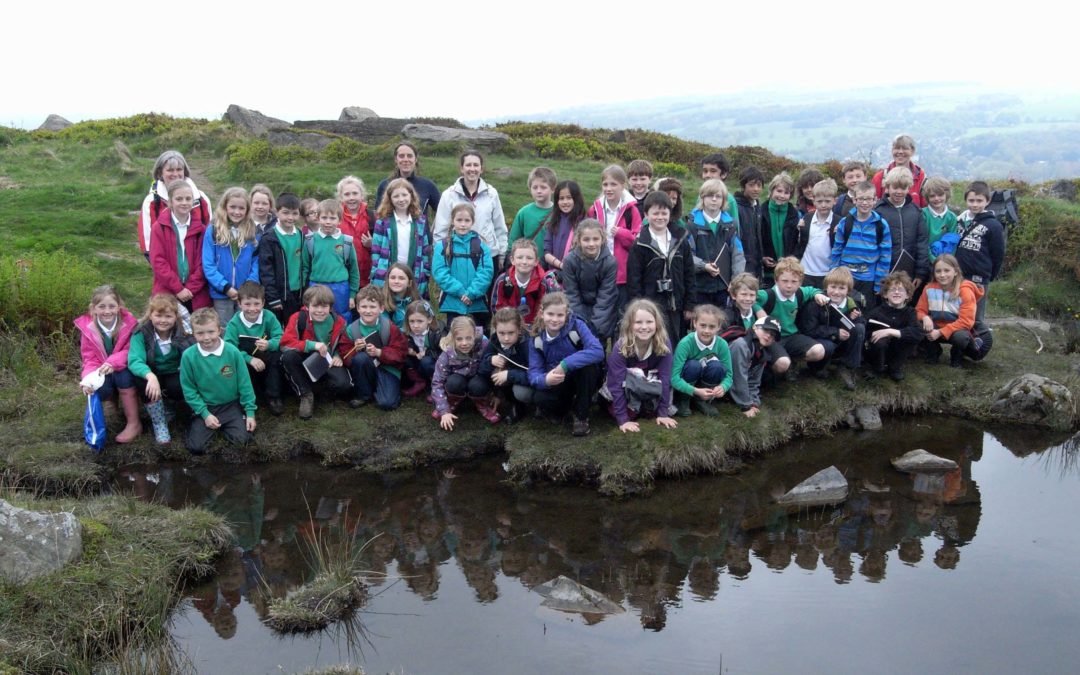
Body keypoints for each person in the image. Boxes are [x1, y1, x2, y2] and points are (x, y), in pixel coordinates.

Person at [526, 292, 605, 436]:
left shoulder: (577, 325)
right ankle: (565, 409)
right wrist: (545, 380)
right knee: (539, 398)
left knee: (588, 368)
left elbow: (597, 351)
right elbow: (533, 373)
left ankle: (581, 416)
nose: (555, 319)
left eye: (560, 315)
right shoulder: (536, 337)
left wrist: (565, 364)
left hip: (580, 377)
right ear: (542, 313)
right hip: (558, 380)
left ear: (566, 314)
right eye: (550, 314)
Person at [180, 308, 256, 454]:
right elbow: (189, 390)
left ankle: (231, 424)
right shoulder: (188, 356)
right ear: (193, 333)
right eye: (200, 333)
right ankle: (201, 423)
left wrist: (250, 413)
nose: (206, 337)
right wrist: (205, 414)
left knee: (243, 440)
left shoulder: (232, 352)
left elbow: (245, 384)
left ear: (219, 330)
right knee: (195, 447)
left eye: (211, 332)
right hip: (206, 406)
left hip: (230, 405)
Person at [127, 293, 195, 443]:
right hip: (152, 374)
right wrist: (150, 376)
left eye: (168, 316)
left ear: (175, 317)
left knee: (178, 386)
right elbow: (134, 360)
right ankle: (159, 423)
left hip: (174, 373)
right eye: (158, 315)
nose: (163, 321)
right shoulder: (141, 333)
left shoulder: (184, 332)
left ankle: (171, 406)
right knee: (141, 381)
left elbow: (194, 356)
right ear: (150, 315)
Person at [627, 192, 695, 341]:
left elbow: (689, 273)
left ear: (670, 214)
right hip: (651, 306)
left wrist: (689, 305)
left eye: (664, 213)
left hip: (677, 305)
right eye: (655, 213)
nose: (660, 217)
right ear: (646, 214)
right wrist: (638, 308)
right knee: (656, 344)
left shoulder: (681, 240)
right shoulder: (639, 245)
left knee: (677, 343)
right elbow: (634, 280)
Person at [76, 284, 140, 444]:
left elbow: (130, 350)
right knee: (97, 387)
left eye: (112, 306)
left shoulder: (129, 323)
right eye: (101, 306)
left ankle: (134, 423)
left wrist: (113, 363)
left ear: (119, 307)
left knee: (123, 376)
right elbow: (89, 358)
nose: (107, 311)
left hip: (124, 367)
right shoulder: (88, 329)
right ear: (93, 309)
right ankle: (113, 403)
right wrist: (88, 380)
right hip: (102, 370)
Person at [603, 298, 678, 433]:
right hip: (626, 387)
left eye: (649, 322)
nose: (644, 327)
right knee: (626, 412)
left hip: (650, 385)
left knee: (650, 412)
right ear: (630, 324)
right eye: (638, 322)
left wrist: (663, 414)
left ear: (657, 324)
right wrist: (623, 420)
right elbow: (616, 383)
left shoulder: (664, 343)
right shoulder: (620, 346)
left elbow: (666, 379)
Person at [280, 285, 353, 419]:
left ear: (330, 308)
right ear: (307, 306)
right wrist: (312, 345)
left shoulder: (339, 322)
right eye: (315, 306)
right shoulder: (298, 318)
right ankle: (306, 394)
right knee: (288, 356)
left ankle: (318, 391)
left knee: (344, 386)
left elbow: (344, 344)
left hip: (327, 361)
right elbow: (285, 344)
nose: (320, 311)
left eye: (324, 306)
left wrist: (338, 356)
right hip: (305, 359)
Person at [755, 257, 830, 378]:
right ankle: (769, 369)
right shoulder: (768, 295)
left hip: (791, 336)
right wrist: (759, 310)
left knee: (819, 351)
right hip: (771, 338)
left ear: (800, 283)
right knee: (782, 364)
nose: (789, 286)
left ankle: (791, 362)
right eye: (784, 281)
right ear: (776, 280)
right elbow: (749, 298)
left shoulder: (799, 293)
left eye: (794, 282)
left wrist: (818, 295)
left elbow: (812, 290)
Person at [433, 150, 508, 268]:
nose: (472, 169)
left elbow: (500, 227)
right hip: (458, 255)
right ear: (461, 168)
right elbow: (440, 230)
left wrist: (502, 254)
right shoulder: (448, 195)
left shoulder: (492, 194)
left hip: (487, 256)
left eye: (476, 165)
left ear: (481, 169)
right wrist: (442, 256)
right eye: (468, 165)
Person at [796, 266, 866, 389]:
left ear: (848, 290)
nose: (836, 292)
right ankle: (817, 368)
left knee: (859, 328)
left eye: (842, 288)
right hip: (824, 341)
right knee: (826, 346)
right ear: (826, 287)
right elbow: (808, 330)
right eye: (833, 287)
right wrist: (835, 332)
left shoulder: (852, 303)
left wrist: (855, 318)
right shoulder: (815, 304)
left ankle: (847, 367)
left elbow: (862, 322)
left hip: (843, 343)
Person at [586, 165, 643, 313]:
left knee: (622, 315)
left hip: (622, 275)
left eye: (613, 184)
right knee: (600, 314)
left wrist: (621, 233)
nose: (609, 188)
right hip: (598, 271)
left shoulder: (632, 210)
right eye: (605, 184)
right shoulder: (594, 210)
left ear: (623, 185)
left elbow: (637, 243)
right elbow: (585, 237)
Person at [223, 281, 285, 416]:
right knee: (238, 365)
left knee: (276, 357)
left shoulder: (269, 316)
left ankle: (273, 396)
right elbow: (229, 347)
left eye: (257, 304)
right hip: (246, 360)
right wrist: (249, 359)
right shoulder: (234, 323)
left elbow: (280, 337)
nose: (252, 308)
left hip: (266, 356)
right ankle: (249, 397)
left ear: (263, 303)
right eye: (247, 304)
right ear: (239, 304)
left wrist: (270, 344)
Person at [343, 285, 408, 410]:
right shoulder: (351, 329)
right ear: (357, 308)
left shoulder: (390, 327)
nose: (368, 311)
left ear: (381, 308)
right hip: (365, 367)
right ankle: (364, 394)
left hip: (387, 368)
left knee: (387, 404)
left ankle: (385, 388)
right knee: (360, 358)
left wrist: (379, 352)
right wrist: (355, 349)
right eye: (364, 307)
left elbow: (401, 353)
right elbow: (345, 356)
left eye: (373, 307)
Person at [138, 150, 211, 260]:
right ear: (160, 173)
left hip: (198, 262)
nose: (175, 174)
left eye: (179, 169)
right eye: (170, 170)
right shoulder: (152, 202)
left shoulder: (201, 199)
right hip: (165, 263)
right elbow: (147, 241)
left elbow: (210, 233)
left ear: (184, 171)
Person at [150, 179, 211, 311]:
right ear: (170, 202)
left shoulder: (201, 229)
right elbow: (158, 261)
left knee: (196, 327)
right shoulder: (159, 228)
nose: (184, 203)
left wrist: (190, 288)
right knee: (167, 324)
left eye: (188, 199)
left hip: (195, 292)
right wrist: (178, 288)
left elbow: (204, 262)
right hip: (167, 289)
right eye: (179, 199)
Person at [432, 203, 494, 328]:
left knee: (479, 338)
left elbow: (486, 272)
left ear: (473, 222)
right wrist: (460, 292)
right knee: (455, 337)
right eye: (459, 220)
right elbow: (440, 272)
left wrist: (471, 293)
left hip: (476, 302)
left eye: (467, 220)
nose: (463, 224)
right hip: (453, 301)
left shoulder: (482, 247)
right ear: (453, 220)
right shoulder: (442, 246)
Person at [203, 187, 260, 323]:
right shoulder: (213, 231)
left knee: (246, 327)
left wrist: (248, 286)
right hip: (221, 293)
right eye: (232, 207)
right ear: (225, 207)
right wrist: (225, 287)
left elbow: (256, 262)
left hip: (246, 294)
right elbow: (208, 264)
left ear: (247, 210)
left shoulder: (253, 232)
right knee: (224, 329)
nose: (236, 212)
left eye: (241, 208)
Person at [916, 254, 983, 368]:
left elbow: (966, 321)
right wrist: (925, 317)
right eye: (938, 271)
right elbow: (919, 310)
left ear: (956, 271)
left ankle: (957, 356)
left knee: (961, 337)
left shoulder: (965, 291)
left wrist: (941, 332)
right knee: (916, 325)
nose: (942, 275)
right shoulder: (929, 288)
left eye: (947, 270)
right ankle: (934, 352)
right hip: (935, 326)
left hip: (956, 330)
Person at [954, 180, 1006, 327]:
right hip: (958, 274)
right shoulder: (958, 221)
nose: (975, 204)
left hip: (978, 277)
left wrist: (989, 275)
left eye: (979, 200)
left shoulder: (993, 225)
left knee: (975, 315)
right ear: (965, 200)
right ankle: (960, 344)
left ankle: (978, 345)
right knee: (957, 311)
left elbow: (998, 254)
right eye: (971, 200)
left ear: (987, 201)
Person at [831, 180, 892, 303]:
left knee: (865, 312)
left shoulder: (881, 225)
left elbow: (885, 256)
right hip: (846, 277)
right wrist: (834, 277)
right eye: (861, 199)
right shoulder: (845, 223)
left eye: (869, 199)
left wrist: (880, 282)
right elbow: (836, 250)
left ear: (875, 200)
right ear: (854, 200)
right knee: (845, 310)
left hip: (868, 278)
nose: (865, 203)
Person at [687, 178, 745, 308]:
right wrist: (704, 266)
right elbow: (687, 255)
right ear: (702, 198)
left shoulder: (731, 225)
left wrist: (736, 282)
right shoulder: (692, 224)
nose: (714, 199)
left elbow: (738, 255)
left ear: (724, 200)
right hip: (699, 287)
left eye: (718, 196)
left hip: (724, 288)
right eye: (709, 196)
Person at [431, 315, 497, 429]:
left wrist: (497, 394)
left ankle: (483, 405)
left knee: (477, 385)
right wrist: (443, 410)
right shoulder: (447, 353)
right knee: (453, 382)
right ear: (453, 338)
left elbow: (495, 369)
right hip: (457, 380)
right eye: (459, 339)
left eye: (468, 338)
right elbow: (437, 381)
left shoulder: (485, 345)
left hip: (478, 379)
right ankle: (451, 403)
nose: (464, 343)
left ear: (474, 335)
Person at [370, 178, 431, 297]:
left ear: (411, 196)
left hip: (414, 272)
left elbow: (425, 249)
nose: (401, 199)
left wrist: (426, 271)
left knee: (411, 307)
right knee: (387, 304)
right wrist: (376, 271)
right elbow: (376, 250)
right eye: (396, 196)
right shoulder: (382, 221)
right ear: (390, 199)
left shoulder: (420, 221)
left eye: (404, 195)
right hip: (388, 272)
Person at [302, 199, 360, 322]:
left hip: (340, 288)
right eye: (324, 217)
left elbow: (354, 270)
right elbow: (305, 269)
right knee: (317, 317)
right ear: (318, 218)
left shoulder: (346, 242)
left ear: (339, 220)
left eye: (332, 218)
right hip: (316, 286)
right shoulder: (310, 240)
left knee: (342, 317)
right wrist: (306, 291)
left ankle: (343, 341)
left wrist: (352, 295)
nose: (328, 222)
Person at [560, 218, 619, 340]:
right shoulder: (570, 261)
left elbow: (606, 297)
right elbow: (571, 294)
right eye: (586, 239)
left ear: (602, 239)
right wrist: (581, 324)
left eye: (595, 239)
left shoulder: (610, 262)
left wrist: (594, 326)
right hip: (578, 309)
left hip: (602, 313)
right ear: (579, 240)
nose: (591, 244)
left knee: (597, 345)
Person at [670, 303, 732, 418]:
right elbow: (674, 378)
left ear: (719, 327)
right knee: (693, 365)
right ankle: (683, 401)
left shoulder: (722, 344)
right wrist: (696, 391)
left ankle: (701, 401)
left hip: (704, 383)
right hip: (688, 382)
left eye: (712, 327)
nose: (707, 331)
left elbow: (729, 375)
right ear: (695, 323)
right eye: (703, 325)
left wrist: (723, 387)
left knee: (717, 366)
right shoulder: (685, 343)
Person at [875, 167, 929, 290]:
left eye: (903, 188)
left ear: (909, 188)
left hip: (909, 271)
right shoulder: (878, 211)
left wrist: (921, 272)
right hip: (884, 270)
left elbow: (922, 242)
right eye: (895, 187)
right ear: (887, 187)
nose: (899, 192)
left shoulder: (915, 211)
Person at [478, 307, 533, 424]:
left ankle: (524, 406)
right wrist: (490, 360)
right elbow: (480, 369)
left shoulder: (527, 345)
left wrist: (509, 374)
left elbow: (535, 375)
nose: (506, 338)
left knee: (521, 392)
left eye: (511, 333)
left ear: (519, 330)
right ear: (495, 330)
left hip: (525, 383)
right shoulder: (494, 342)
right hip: (505, 383)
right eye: (501, 333)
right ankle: (504, 400)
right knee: (493, 373)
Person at [257, 192, 305, 325]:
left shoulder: (301, 235)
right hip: (278, 295)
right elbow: (266, 271)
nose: (290, 217)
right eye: (286, 213)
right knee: (278, 329)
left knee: (295, 327)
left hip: (298, 293)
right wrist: (273, 297)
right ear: (277, 212)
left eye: (294, 213)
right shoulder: (269, 238)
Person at [866, 271, 923, 381]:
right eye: (892, 289)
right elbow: (865, 330)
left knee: (911, 337)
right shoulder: (876, 312)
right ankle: (877, 368)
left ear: (907, 295)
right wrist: (872, 334)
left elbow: (919, 333)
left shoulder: (910, 312)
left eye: (901, 290)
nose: (897, 292)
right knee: (879, 341)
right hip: (878, 351)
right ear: (885, 294)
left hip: (898, 351)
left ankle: (894, 368)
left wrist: (890, 331)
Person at [374, 141, 441, 226]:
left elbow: (443, 213)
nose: (406, 159)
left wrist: (434, 233)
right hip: (392, 238)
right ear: (396, 159)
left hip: (420, 238)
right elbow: (379, 216)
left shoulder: (428, 186)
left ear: (415, 159)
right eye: (401, 156)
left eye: (409, 156)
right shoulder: (384, 185)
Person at [729, 316, 781, 418]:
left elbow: (753, 382)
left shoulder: (763, 353)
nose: (769, 336)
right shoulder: (741, 344)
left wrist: (754, 403)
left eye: (773, 335)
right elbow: (737, 378)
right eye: (766, 330)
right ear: (755, 327)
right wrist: (746, 406)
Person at [490, 238, 547, 326]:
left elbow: (545, 309)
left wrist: (534, 327)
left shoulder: (542, 283)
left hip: (534, 328)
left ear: (536, 261)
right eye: (520, 257)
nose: (524, 262)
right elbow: (497, 308)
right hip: (509, 327)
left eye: (529, 258)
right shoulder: (503, 281)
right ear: (512, 260)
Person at [759, 172, 801, 285]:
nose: (782, 196)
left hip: (788, 271)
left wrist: (792, 260)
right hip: (767, 271)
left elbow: (798, 241)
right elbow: (756, 239)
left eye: (786, 193)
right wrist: (762, 257)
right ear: (771, 191)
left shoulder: (794, 214)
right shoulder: (761, 212)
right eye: (779, 191)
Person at [798, 179, 839, 288]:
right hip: (806, 271)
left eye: (827, 201)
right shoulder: (806, 219)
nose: (823, 205)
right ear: (813, 200)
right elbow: (801, 242)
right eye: (820, 201)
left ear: (835, 201)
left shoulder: (838, 223)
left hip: (828, 273)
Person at [335, 176, 375, 287]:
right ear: (340, 197)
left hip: (367, 276)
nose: (351, 197)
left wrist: (372, 244)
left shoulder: (372, 216)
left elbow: (383, 246)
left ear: (362, 195)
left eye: (355, 193)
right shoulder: (335, 218)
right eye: (347, 194)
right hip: (343, 276)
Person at [543, 180, 587, 273]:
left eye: (569, 198)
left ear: (576, 199)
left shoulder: (584, 223)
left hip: (576, 274)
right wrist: (561, 265)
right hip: (555, 273)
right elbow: (547, 252)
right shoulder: (553, 221)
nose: (565, 202)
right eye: (561, 198)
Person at [508, 167, 557, 251]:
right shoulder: (524, 212)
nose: (538, 191)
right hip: (528, 262)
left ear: (553, 189)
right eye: (535, 187)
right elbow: (514, 240)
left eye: (543, 187)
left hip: (551, 261)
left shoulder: (558, 212)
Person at [872, 134, 927, 207]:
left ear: (912, 151)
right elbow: (873, 206)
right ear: (892, 150)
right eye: (897, 148)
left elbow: (925, 208)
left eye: (905, 148)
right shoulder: (880, 177)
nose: (900, 152)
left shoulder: (920, 177)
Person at [401, 300, 441, 398]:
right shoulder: (407, 334)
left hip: (433, 365)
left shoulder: (436, 334)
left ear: (429, 319)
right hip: (417, 363)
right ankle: (419, 382)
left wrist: (426, 352)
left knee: (426, 361)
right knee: (404, 357)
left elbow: (441, 354)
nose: (415, 325)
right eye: (412, 321)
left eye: (420, 321)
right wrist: (409, 350)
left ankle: (437, 387)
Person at [733, 166, 765, 279]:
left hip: (756, 263)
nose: (756, 189)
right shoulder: (736, 207)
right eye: (751, 185)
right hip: (743, 263)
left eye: (759, 185)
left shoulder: (757, 207)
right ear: (743, 186)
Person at [700, 152, 740, 230]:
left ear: (723, 174)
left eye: (713, 171)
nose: (708, 175)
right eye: (705, 171)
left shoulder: (729, 199)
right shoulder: (701, 195)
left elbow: (735, 229)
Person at [922, 177, 957, 262]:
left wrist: (947, 261)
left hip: (944, 261)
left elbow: (952, 243)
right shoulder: (923, 214)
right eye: (932, 196)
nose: (937, 198)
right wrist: (934, 260)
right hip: (926, 259)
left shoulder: (952, 217)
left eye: (940, 195)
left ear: (947, 195)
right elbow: (922, 241)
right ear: (927, 197)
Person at [380, 262, 421, 328]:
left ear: (409, 283)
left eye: (401, 278)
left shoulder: (417, 300)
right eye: (393, 278)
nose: (396, 281)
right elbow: (386, 328)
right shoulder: (382, 302)